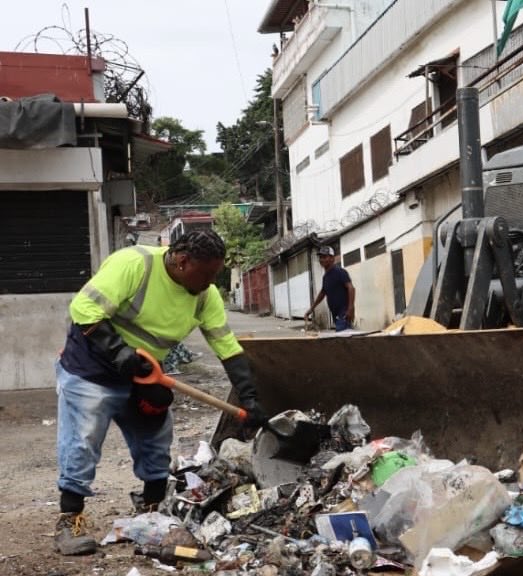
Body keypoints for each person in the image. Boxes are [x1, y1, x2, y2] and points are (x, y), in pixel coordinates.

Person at [54, 230, 268, 555]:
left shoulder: (203, 296)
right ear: (182, 262)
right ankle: (70, 519)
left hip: (144, 372)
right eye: (207, 274)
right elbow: (84, 308)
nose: (211, 283)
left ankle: (152, 512)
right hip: (93, 365)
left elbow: (226, 347)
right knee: (82, 440)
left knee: (155, 438)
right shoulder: (134, 264)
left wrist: (249, 399)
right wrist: (118, 350)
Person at [303, 245, 356, 331]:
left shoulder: (339, 272)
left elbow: (351, 288)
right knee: (343, 340)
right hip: (335, 314)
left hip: (344, 313)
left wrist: (350, 309)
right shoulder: (326, 277)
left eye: (324, 257)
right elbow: (322, 293)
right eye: (320, 257)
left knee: (342, 337)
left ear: (332, 258)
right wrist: (311, 309)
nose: (321, 260)